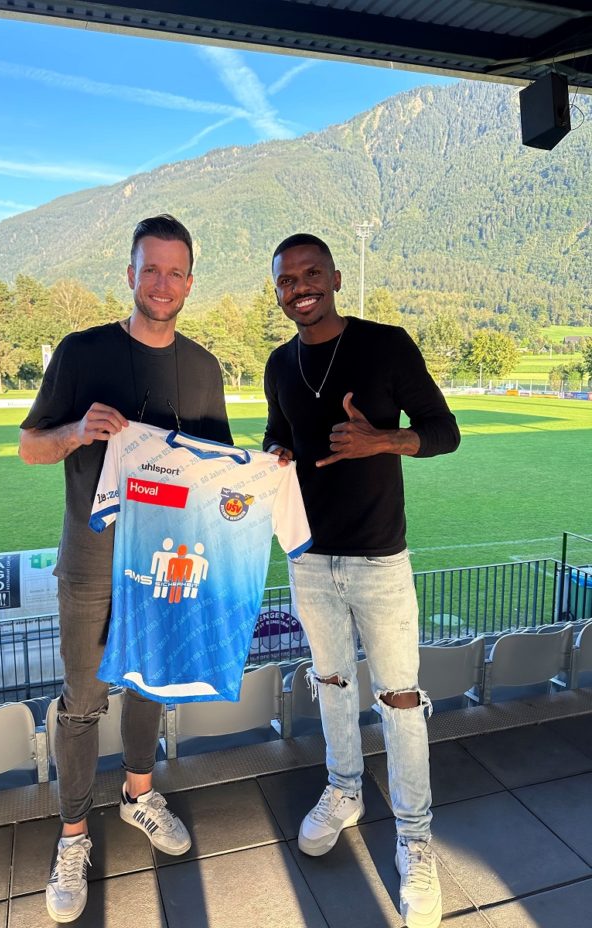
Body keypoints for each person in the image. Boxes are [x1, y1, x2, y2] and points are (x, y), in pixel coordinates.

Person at [19, 214, 232, 924]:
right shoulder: (82, 352)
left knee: (148, 684)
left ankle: (139, 794)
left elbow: (216, 473)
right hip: (90, 561)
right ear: (130, 275)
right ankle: (72, 836)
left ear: (190, 282)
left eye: (175, 272)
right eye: (151, 270)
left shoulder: (203, 369)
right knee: (82, 702)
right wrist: (78, 430)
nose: (162, 284)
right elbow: (30, 447)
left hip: (163, 562)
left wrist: (263, 474)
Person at [263, 233, 460, 928]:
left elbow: (444, 431)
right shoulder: (280, 363)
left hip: (379, 557)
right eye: (287, 280)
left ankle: (415, 837)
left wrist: (383, 439)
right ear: (278, 292)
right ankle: (344, 790)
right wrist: (274, 452)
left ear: (337, 278)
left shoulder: (387, 345)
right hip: (308, 559)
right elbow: (276, 434)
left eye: (312, 273)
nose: (301, 287)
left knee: (400, 699)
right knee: (332, 683)